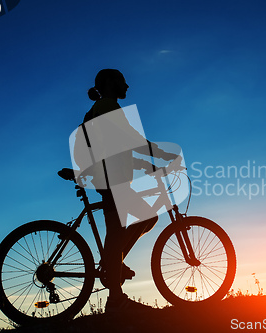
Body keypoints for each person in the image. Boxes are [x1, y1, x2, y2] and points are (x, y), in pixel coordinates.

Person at [80, 69, 176, 311]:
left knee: (127, 227)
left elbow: (114, 147)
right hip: (112, 179)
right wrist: (158, 152)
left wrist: (143, 163)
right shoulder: (107, 105)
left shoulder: (100, 108)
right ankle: (115, 294)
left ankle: (114, 266)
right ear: (109, 83)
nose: (127, 85)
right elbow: (129, 138)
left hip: (110, 177)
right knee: (134, 223)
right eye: (122, 81)